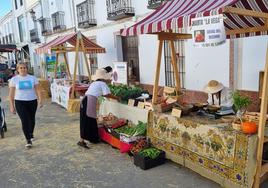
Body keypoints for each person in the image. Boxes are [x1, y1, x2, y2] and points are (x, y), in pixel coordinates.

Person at [78, 69, 117, 149]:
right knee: (89, 120)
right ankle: (86, 140)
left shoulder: (94, 83)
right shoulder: (102, 83)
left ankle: (90, 139)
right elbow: (106, 94)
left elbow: (100, 93)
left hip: (85, 100)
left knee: (85, 119)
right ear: (104, 78)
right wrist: (117, 97)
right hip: (89, 101)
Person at [9, 62, 43, 149]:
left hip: (32, 101)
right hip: (20, 102)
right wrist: (12, 106)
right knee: (25, 120)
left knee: (32, 120)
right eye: (21, 68)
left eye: (24, 68)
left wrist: (40, 100)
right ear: (18, 70)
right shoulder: (14, 80)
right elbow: (11, 94)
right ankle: (28, 140)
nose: (23, 69)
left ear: (27, 69)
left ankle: (31, 133)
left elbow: (38, 90)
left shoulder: (33, 78)